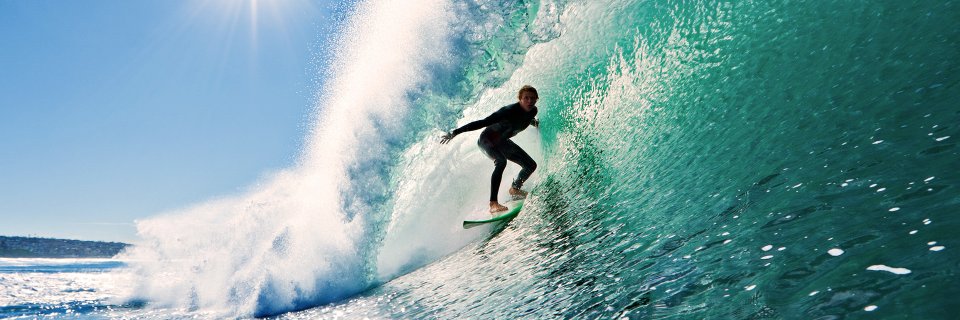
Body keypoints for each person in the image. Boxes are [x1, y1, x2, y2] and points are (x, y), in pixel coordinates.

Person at [441, 85, 540, 214]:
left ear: (537, 99)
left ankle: (515, 189)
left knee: (530, 165)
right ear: (520, 99)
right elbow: (482, 122)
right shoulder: (507, 111)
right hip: (487, 140)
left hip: (503, 142)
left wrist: (535, 123)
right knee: (501, 161)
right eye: (526, 98)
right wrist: (455, 132)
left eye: (533, 98)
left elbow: (525, 119)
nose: (529, 101)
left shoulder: (532, 111)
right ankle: (493, 204)